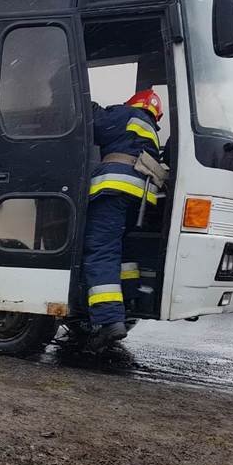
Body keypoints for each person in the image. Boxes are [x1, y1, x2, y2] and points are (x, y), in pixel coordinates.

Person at [84, 88, 164, 350]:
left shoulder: (128, 114)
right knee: (122, 254)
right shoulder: (151, 131)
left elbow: (92, 120)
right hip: (138, 197)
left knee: (101, 250)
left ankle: (109, 321)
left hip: (115, 188)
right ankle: (126, 305)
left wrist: (80, 95)